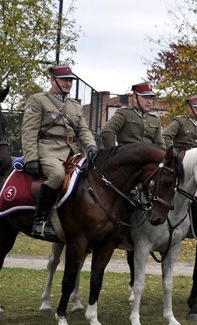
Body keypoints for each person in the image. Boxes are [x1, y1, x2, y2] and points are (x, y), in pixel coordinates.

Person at [20, 65, 98, 239]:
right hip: (48, 150)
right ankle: (39, 222)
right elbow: (29, 131)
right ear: (52, 79)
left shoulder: (75, 106)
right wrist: (31, 158)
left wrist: (91, 146)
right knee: (57, 175)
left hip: (73, 151)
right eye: (64, 80)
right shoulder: (38, 100)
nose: (68, 83)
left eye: (70, 80)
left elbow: (83, 130)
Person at [100, 82, 165, 149]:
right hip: (127, 156)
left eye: (151, 98)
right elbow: (107, 130)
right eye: (145, 97)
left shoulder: (154, 119)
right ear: (135, 98)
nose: (149, 101)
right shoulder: (124, 114)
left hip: (149, 156)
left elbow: (160, 143)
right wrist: (112, 152)